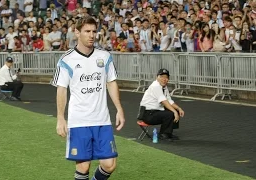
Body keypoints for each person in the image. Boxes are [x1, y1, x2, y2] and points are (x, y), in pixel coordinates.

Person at [52, 16, 125, 180]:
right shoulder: (67, 59)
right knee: (83, 166)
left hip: (102, 120)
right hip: (79, 121)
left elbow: (111, 83)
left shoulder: (104, 56)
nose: (91, 35)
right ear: (77, 32)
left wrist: (119, 109)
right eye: (87, 31)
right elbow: (61, 90)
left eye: (94, 31)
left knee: (109, 164)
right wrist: (60, 118)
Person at [139, 68, 185, 141]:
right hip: (148, 115)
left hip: (155, 111)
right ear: (157, 77)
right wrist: (175, 112)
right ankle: (163, 134)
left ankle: (168, 133)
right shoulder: (155, 86)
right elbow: (163, 101)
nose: (164, 79)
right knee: (170, 113)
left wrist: (179, 109)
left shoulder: (164, 87)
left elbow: (169, 100)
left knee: (174, 110)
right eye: (162, 77)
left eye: (166, 77)